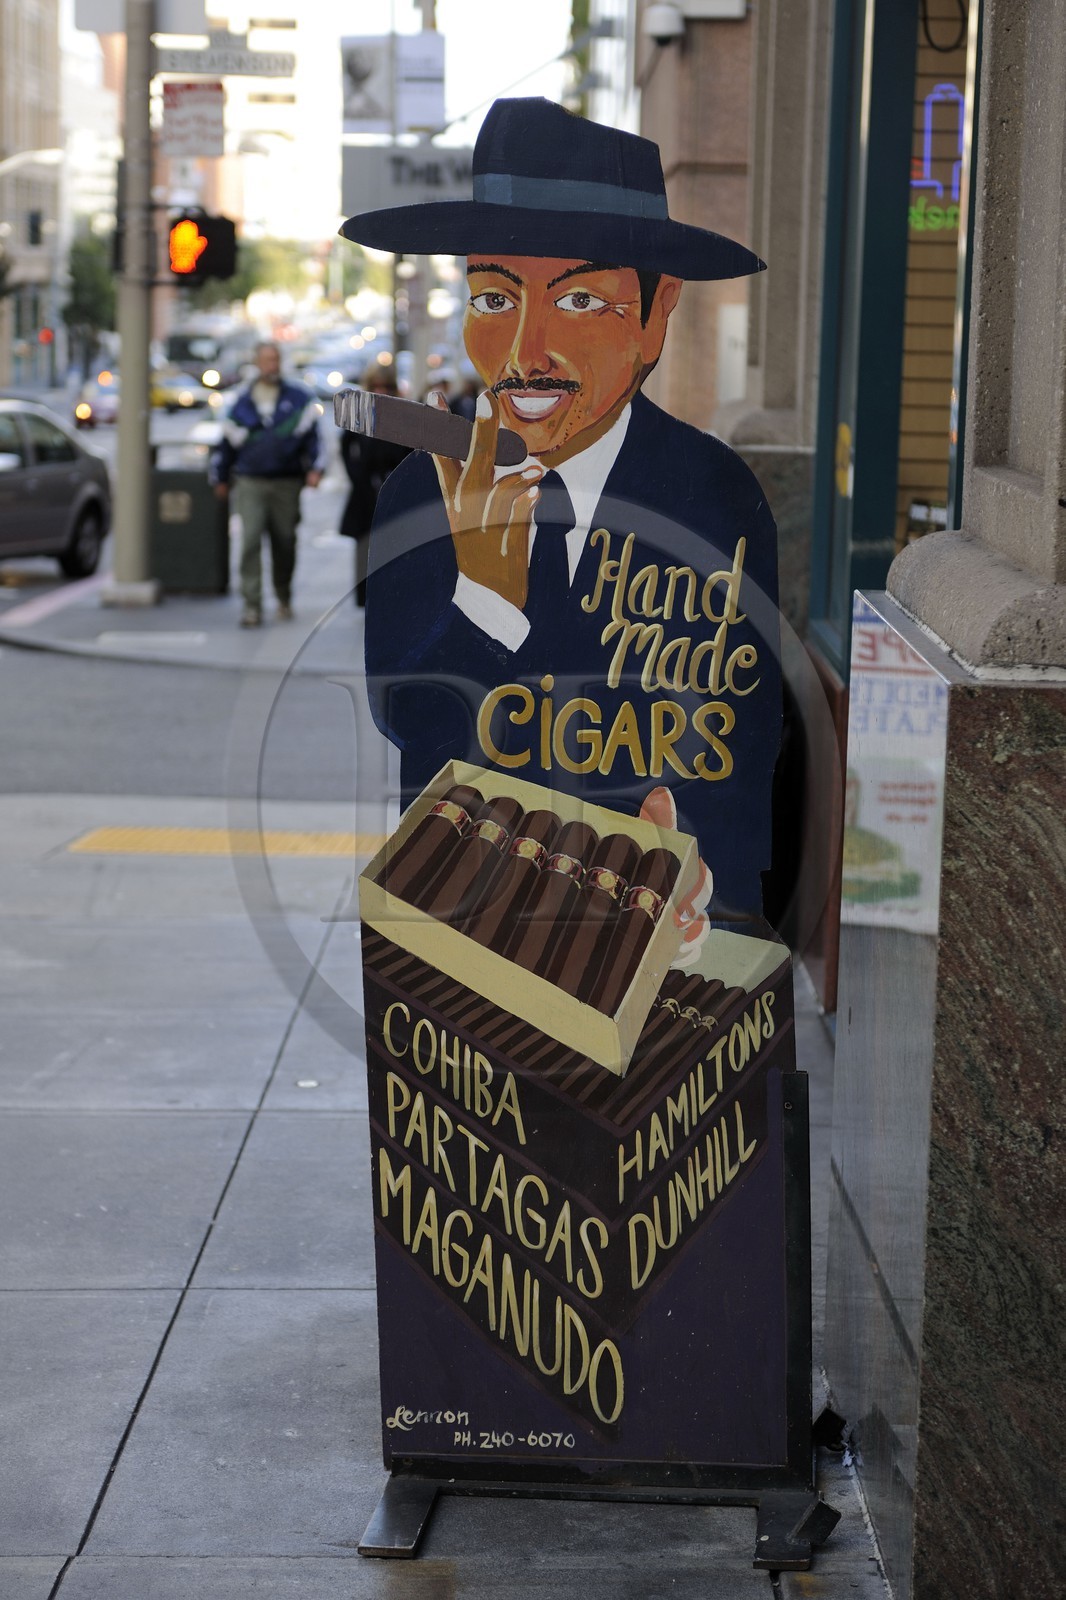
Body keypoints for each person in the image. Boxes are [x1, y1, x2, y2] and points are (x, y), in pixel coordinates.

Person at [340, 97, 781, 921]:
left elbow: (744, 750)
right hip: (464, 955)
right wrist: (484, 597)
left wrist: (708, 889)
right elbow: (411, 723)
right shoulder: (419, 492)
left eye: (579, 302)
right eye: (495, 298)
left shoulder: (713, 494)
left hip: (663, 977)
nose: (523, 351)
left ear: (656, 316)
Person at [209, 341, 326, 627]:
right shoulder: (240, 400)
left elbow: (315, 438)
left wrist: (315, 468)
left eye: (275, 359)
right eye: (266, 360)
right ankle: (252, 605)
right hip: (250, 481)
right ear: (257, 362)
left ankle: (283, 595)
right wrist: (220, 477)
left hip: (286, 482)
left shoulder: (298, 398)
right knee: (249, 541)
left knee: (284, 541)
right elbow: (225, 444)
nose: (271, 365)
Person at [339, 367, 412, 607]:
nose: (380, 391)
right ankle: (365, 596)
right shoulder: (360, 413)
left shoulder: (401, 414)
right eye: (376, 387)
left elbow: (409, 450)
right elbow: (346, 446)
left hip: (393, 486)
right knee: (365, 543)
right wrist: (356, 476)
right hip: (365, 489)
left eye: (385, 387)